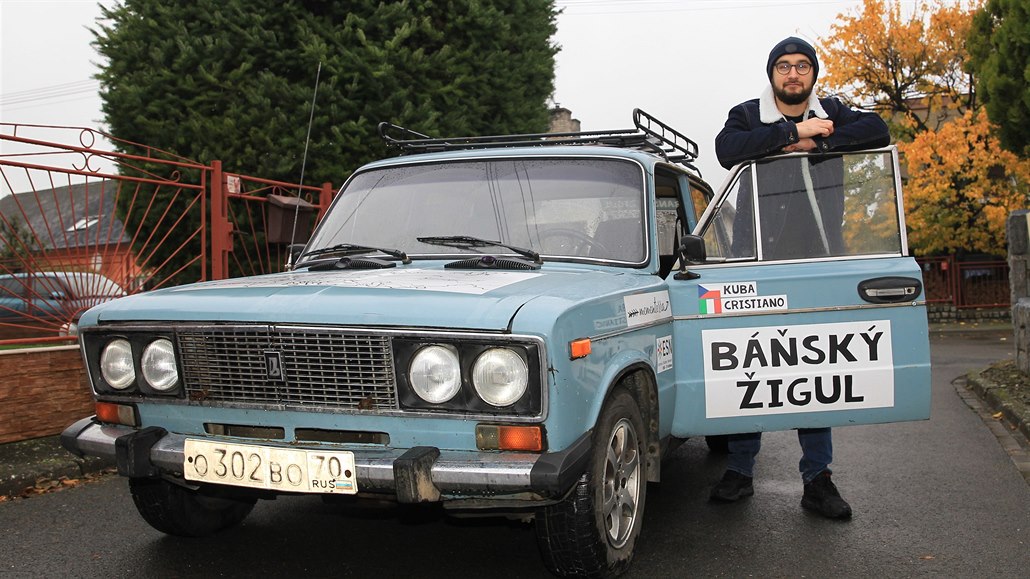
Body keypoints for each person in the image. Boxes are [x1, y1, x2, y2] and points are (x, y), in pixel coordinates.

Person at [710, 36, 891, 519]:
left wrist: (823, 137)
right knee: (754, 365)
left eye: (802, 67)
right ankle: (741, 469)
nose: (793, 74)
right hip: (757, 261)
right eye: (784, 67)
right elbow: (728, 150)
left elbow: (878, 129)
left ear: (813, 74)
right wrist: (792, 135)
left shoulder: (835, 109)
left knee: (811, 372)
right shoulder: (747, 115)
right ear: (772, 74)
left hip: (818, 260)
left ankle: (818, 478)